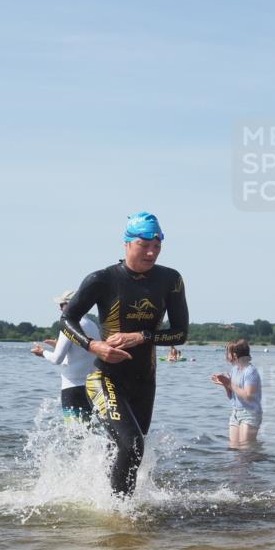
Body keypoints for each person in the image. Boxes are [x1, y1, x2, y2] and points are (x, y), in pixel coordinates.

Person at [61, 212, 189, 496]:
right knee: (131, 445)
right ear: (127, 243)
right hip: (105, 377)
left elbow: (180, 333)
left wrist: (142, 336)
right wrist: (93, 345)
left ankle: (101, 499)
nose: (151, 252)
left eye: (157, 245)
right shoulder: (102, 279)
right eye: (144, 245)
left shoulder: (170, 280)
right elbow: (66, 319)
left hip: (144, 382)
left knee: (125, 448)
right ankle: (120, 513)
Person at [32, 290, 99, 422]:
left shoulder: (68, 325)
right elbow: (81, 355)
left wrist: (42, 352)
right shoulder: (93, 325)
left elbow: (57, 359)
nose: (59, 308)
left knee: (74, 430)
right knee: (89, 429)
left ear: (70, 305)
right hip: (92, 387)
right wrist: (58, 346)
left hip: (72, 387)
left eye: (61, 304)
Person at [211, 338, 262, 448]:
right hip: (235, 413)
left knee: (246, 450)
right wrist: (225, 384)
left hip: (250, 413)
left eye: (227, 353)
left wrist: (229, 383)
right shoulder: (234, 370)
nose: (226, 356)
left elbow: (248, 396)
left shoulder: (250, 371)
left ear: (234, 355)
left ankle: (258, 456)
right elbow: (232, 396)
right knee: (234, 449)